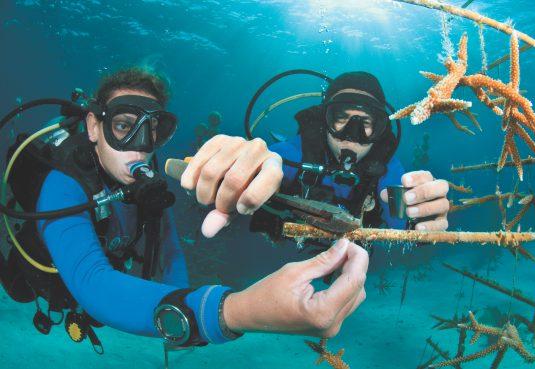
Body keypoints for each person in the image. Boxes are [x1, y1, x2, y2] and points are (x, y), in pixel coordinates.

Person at [0, 68, 368, 351]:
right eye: (125, 126)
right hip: (43, 278)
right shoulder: (62, 182)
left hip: (103, 284)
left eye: (153, 130)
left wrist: (179, 309)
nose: (141, 146)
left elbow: (171, 251)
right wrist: (229, 311)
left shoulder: (146, 179)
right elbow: (93, 283)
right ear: (94, 127)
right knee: (18, 289)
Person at [250, 71, 450, 241]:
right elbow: (269, 162)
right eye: (340, 117)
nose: (352, 135)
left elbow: (402, 223)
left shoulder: (387, 170)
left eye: (366, 122)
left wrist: (419, 218)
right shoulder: (297, 152)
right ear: (325, 121)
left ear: (380, 129)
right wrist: (250, 167)